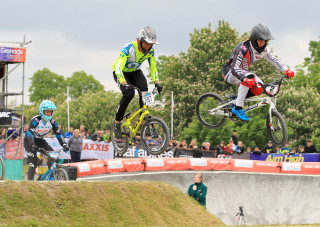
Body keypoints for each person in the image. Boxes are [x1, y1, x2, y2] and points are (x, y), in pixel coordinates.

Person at [222, 23, 294, 121]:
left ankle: (236, 99)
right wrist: (244, 79)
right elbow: (235, 68)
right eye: (260, 40)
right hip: (229, 72)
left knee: (260, 87)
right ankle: (238, 108)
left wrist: (286, 70)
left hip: (243, 73)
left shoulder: (264, 50)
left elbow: (275, 61)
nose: (262, 43)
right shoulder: (243, 48)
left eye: (264, 41)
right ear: (254, 39)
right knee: (250, 78)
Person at [112, 26, 163, 138]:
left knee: (144, 88)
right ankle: (117, 122)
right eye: (147, 44)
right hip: (121, 72)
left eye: (151, 44)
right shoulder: (128, 48)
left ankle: (144, 122)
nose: (148, 47)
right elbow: (119, 68)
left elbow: (153, 67)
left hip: (134, 71)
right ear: (140, 40)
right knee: (129, 94)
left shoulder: (150, 51)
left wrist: (157, 82)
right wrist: (125, 83)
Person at [24, 100, 69, 180]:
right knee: (33, 163)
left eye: (50, 112)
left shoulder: (52, 122)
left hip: (40, 140)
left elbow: (58, 134)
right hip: (29, 141)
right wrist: (32, 145)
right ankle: (29, 183)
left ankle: (49, 178)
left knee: (52, 157)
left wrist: (64, 144)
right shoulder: (36, 120)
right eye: (47, 111)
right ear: (42, 111)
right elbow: (29, 134)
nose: (49, 113)